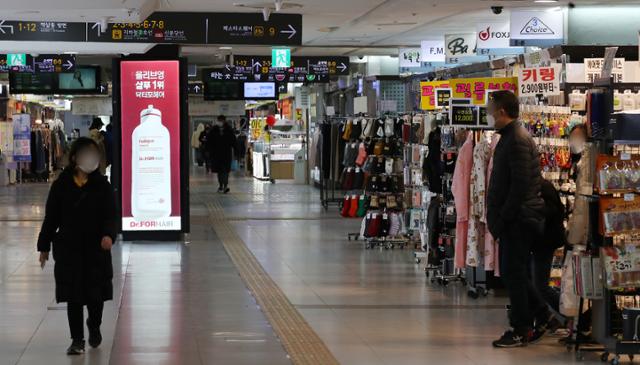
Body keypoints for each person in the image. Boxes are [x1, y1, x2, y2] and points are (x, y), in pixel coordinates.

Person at [37, 137, 117, 355]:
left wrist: (109, 235)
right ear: (74, 158)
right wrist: (43, 246)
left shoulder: (102, 186)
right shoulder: (61, 185)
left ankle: (94, 324)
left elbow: (111, 215)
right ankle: (77, 339)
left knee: (95, 296)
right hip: (69, 248)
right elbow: (51, 217)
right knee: (73, 296)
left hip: (96, 249)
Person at [486, 90, 548, 348]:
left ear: (501, 111)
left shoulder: (517, 140)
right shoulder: (510, 137)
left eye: (490, 110)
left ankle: (522, 328)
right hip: (516, 217)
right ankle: (543, 315)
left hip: (519, 219)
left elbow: (520, 185)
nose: (489, 115)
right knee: (516, 273)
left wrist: (503, 218)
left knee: (513, 273)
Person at [208, 115, 237, 193]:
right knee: (220, 171)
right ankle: (221, 185)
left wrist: (236, 152)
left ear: (224, 121)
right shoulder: (213, 130)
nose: (220, 122)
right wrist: (209, 151)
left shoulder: (229, 130)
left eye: (221, 120)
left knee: (225, 171)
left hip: (226, 154)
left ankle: (225, 186)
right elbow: (209, 141)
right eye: (219, 120)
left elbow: (234, 142)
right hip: (217, 154)